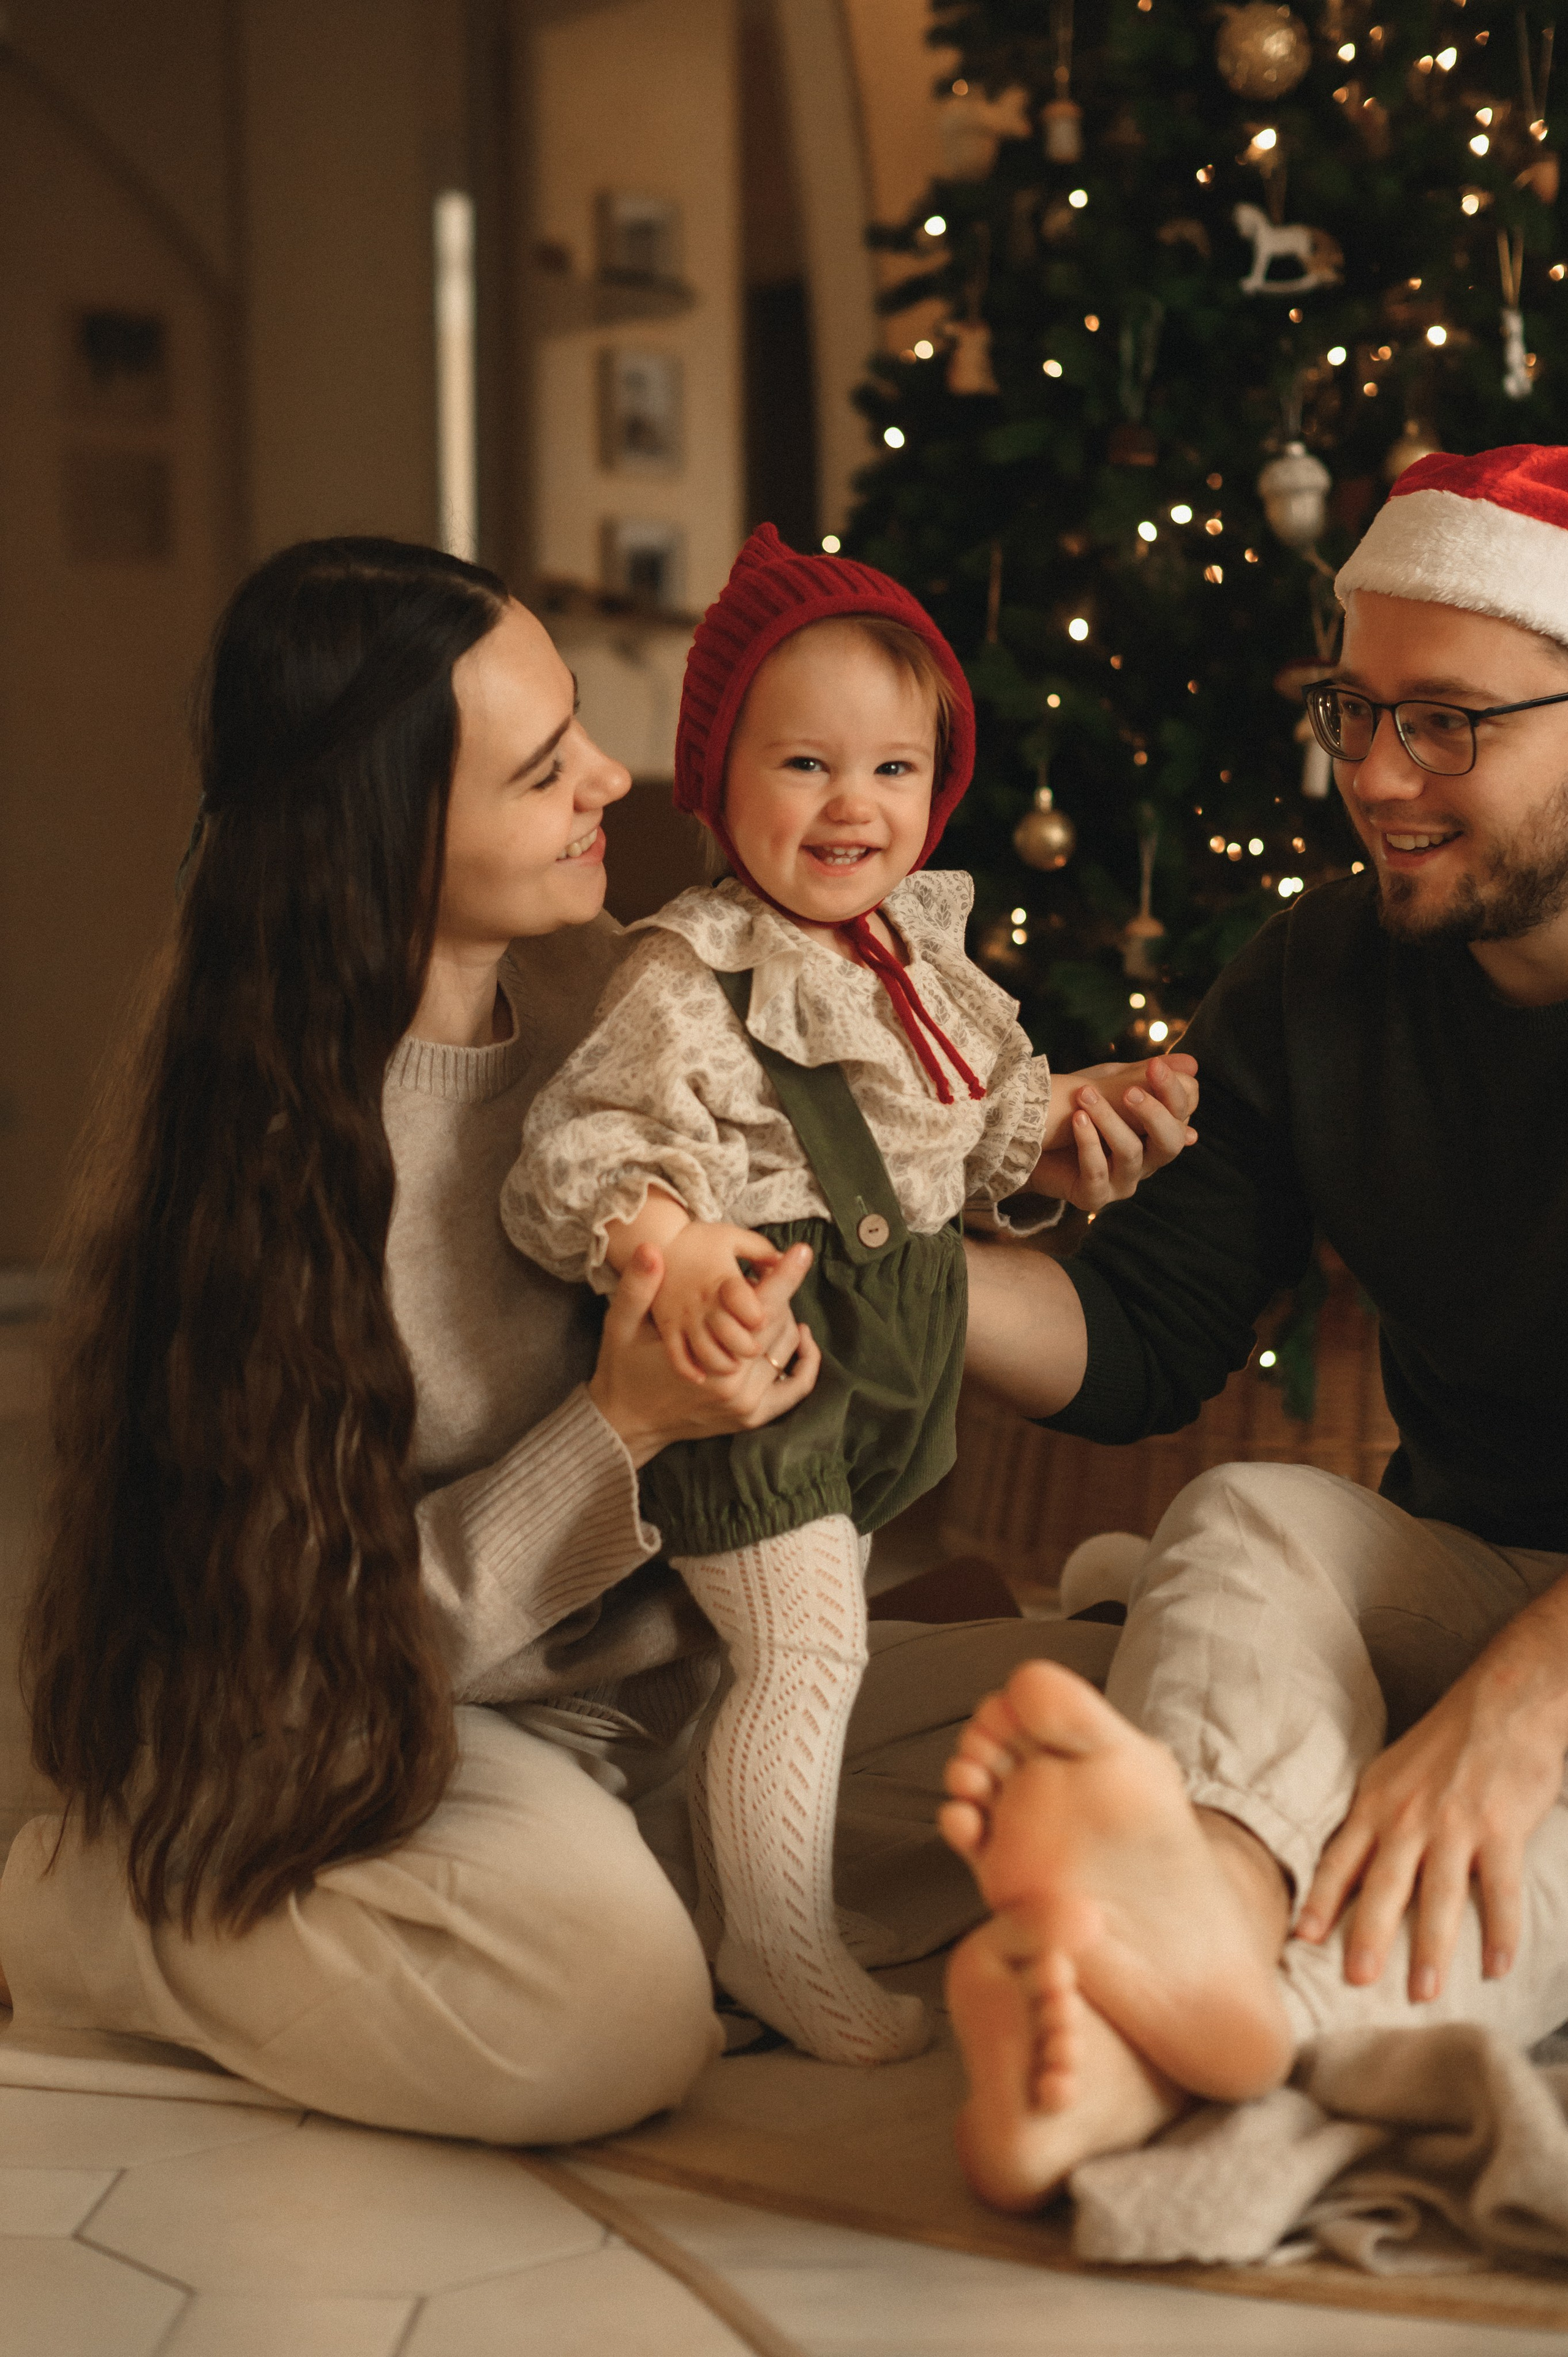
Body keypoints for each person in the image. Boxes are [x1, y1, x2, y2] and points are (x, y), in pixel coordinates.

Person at [0, 534, 1191, 2144]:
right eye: (547, 766)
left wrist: (1037, 1148)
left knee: (1138, 1721)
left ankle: (693, 1897)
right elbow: (324, 1668)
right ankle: (102, 1909)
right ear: (389, 825)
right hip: (419, 1728)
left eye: (585, 732)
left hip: (677, 1689)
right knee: (610, 2030)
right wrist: (620, 1427)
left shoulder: (628, 994)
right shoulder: (277, 1170)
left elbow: (871, 1180)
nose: (616, 781)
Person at [937, 442, 1568, 2211]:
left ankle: (1156, 2056)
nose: (1374, 774)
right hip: (1471, 1563)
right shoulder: (1321, 980)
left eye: (1449, 722)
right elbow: (1144, 1338)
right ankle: (1196, 1904)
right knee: (1245, 1518)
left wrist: (1525, 1711)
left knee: (1521, 1838)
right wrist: (882, 1267)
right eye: (1354, 708)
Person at [503, 526, 1199, 2065]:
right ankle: (778, 1946)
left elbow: (971, 1134)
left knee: (788, 1658)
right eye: (805, 762)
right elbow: (584, 1148)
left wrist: (1071, 1135)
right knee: (803, 1652)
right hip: (746, 1376)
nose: (851, 806)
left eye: (893, 770)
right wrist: (667, 1242)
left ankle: (722, 1880)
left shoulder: (914, 968)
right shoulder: (687, 974)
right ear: (717, 775)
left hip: (873, 1383)